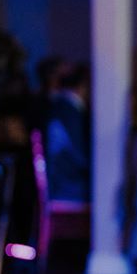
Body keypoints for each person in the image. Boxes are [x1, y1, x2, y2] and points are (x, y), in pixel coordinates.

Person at [45, 63, 91, 203]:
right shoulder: (69, 111)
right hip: (67, 184)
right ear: (83, 86)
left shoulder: (58, 106)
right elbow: (79, 153)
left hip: (60, 181)